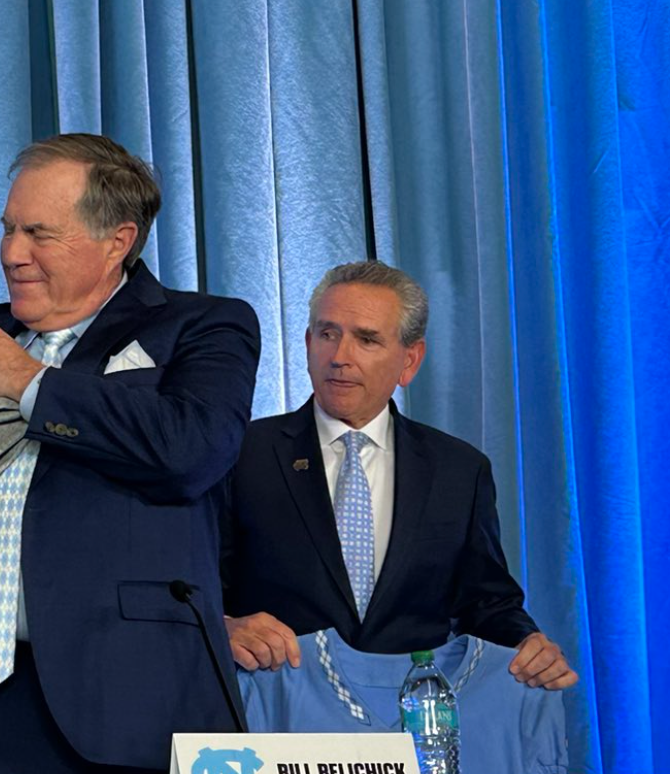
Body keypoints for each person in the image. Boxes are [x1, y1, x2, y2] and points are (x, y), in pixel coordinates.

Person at [0, 134, 260, 774]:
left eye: (39, 234)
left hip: (135, 706)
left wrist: (29, 383)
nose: (12, 253)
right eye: (9, 229)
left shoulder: (205, 326)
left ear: (117, 240)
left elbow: (191, 452)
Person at [220, 260, 577, 689]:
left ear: (410, 360)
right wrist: (224, 625)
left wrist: (528, 644)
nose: (339, 357)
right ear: (308, 342)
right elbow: (195, 584)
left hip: (408, 724)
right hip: (278, 713)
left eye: (366, 339)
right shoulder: (239, 453)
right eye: (328, 334)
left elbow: (485, 603)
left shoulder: (459, 470)